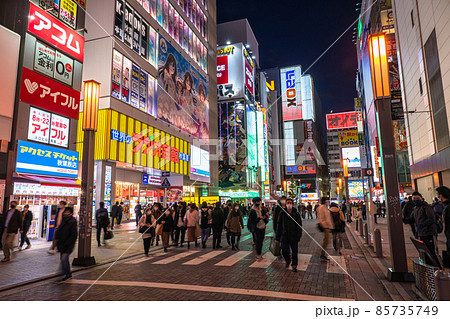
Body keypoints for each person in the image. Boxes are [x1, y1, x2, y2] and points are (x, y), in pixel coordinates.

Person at [407, 192, 439, 265]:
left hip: (429, 233)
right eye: (414, 199)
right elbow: (411, 218)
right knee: (425, 252)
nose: (415, 200)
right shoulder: (415, 208)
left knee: (432, 252)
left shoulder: (426, 207)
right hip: (421, 233)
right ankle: (429, 267)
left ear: (421, 198)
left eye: (417, 198)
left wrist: (422, 224)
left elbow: (432, 219)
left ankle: (438, 267)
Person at [276, 198, 302, 272]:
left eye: (290, 203)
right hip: (284, 235)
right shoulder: (282, 213)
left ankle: (294, 265)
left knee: (294, 251)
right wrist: (278, 236)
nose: (289, 204)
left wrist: (299, 235)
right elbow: (279, 224)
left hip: (294, 236)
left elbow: (299, 225)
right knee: (284, 250)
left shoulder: (296, 213)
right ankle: (287, 260)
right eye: (288, 203)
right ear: (286, 204)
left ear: (293, 204)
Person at [55, 207, 77, 281]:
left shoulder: (73, 221)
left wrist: (69, 242)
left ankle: (68, 274)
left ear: (71, 213)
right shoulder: (63, 220)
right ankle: (64, 272)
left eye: (67, 212)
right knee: (63, 258)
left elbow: (74, 234)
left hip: (68, 244)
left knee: (64, 258)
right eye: (65, 212)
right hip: (62, 243)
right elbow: (60, 231)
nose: (66, 214)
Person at [317, 197, 334, 261]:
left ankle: (322, 254)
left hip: (326, 226)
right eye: (327, 201)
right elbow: (324, 218)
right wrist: (328, 225)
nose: (328, 202)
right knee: (326, 240)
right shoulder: (322, 208)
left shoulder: (323, 207)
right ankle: (322, 254)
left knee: (326, 240)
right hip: (325, 226)